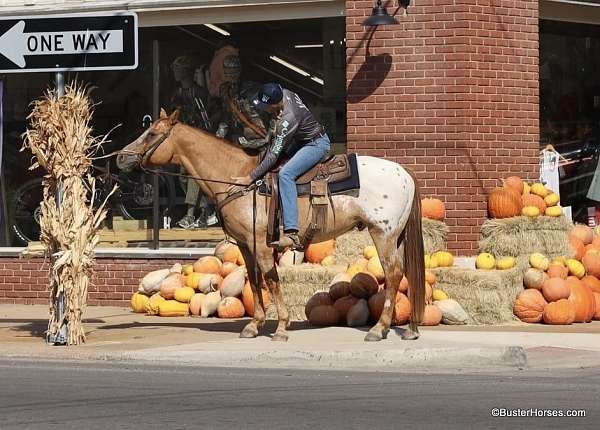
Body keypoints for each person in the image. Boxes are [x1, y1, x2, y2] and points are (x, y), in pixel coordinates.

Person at [229, 83, 330, 249]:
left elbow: (274, 154)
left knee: (285, 174)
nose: (265, 109)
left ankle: (291, 230)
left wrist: (250, 177)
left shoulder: (288, 119)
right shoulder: (286, 92)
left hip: (316, 144)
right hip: (301, 139)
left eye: (267, 107)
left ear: (276, 104)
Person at [169, 55, 218, 229]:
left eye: (178, 69)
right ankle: (206, 209)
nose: (175, 72)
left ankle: (190, 214)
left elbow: (206, 119)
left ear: (186, 72)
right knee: (183, 176)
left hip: (198, 141)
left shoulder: (198, 93)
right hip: (183, 142)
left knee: (192, 175)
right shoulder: (177, 94)